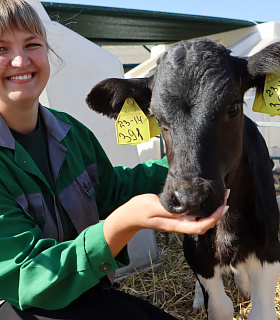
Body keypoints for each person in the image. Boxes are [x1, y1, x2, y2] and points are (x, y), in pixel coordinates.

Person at [0, 0, 229, 319]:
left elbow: (111, 190)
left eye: (32, 44)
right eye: (1, 48)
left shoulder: (69, 132)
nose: (20, 60)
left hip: (82, 291)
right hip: (18, 305)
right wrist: (123, 224)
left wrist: (187, 171)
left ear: (48, 52)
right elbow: (27, 277)